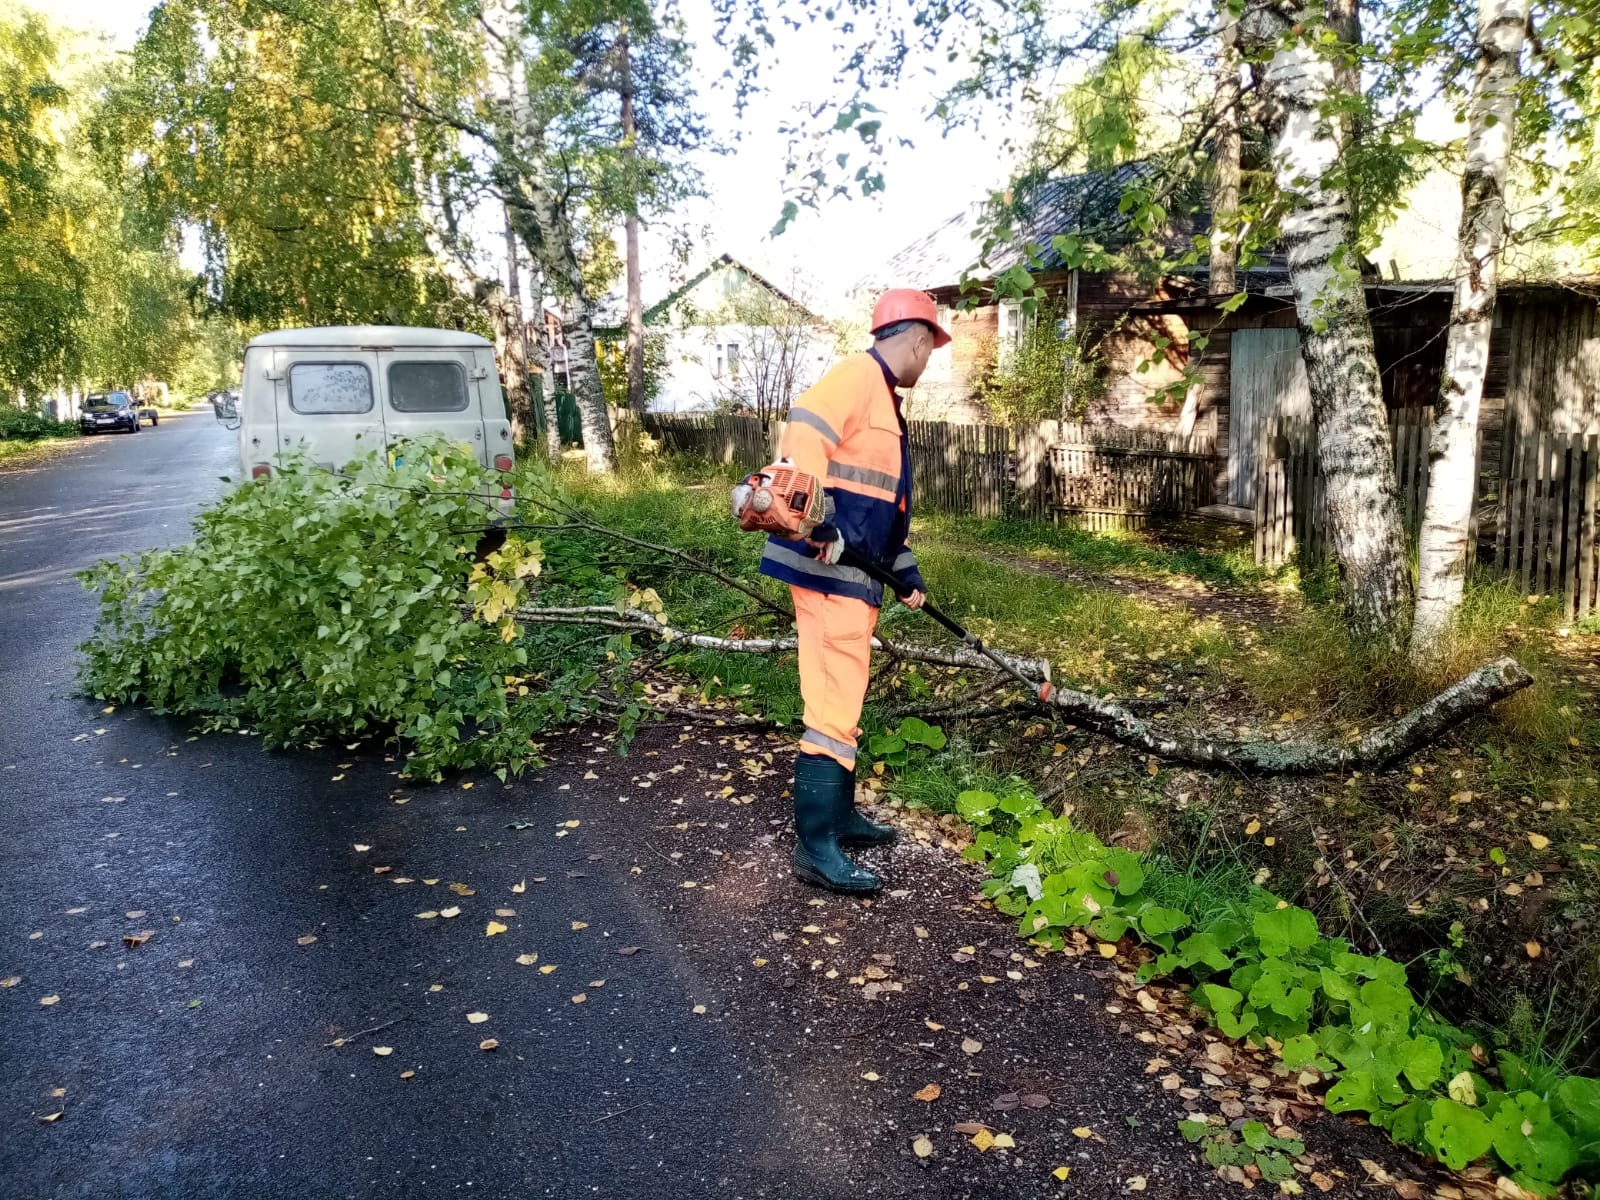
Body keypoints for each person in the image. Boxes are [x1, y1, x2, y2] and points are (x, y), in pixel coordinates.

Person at [759, 288, 951, 894]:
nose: (930, 360)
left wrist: (907, 573)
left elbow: (883, 512)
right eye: (932, 349)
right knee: (833, 706)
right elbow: (802, 436)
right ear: (918, 338)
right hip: (829, 574)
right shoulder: (855, 378)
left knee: (845, 696)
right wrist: (815, 516)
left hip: (858, 575)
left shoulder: (885, 403)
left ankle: (838, 815)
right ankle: (816, 844)